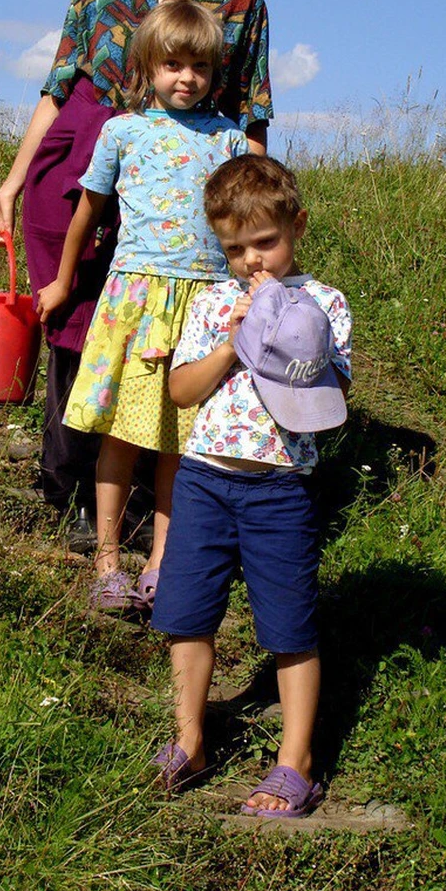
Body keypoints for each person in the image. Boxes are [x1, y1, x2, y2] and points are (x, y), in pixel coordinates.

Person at [0, 0, 273, 543]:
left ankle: (146, 505)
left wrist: (252, 218)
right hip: (84, 155)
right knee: (79, 319)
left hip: (183, 191)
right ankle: (69, 483)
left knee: (169, 335)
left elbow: (252, 112)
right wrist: (15, 179)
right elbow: (58, 87)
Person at [150, 155, 352, 819]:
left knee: (290, 625)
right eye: (235, 248)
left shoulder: (323, 304)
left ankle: (295, 761)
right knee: (185, 612)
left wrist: (281, 328)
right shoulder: (212, 301)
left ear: (296, 225)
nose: (251, 261)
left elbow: (336, 392)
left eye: (265, 242)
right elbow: (180, 392)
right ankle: (190, 739)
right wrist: (233, 343)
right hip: (205, 479)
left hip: (279, 488)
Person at [36, 0, 250, 611]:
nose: (186, 78)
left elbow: (244, 223)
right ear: (148, 65)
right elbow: (88, 213)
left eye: (200, 68)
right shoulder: (122, 132)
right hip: (134, 299)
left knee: (179, 442)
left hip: (203, 306)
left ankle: (162, 561)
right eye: (173, 64)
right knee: (121, 435)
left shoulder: (230, 138)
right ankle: (106, 561)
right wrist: (61, 280)